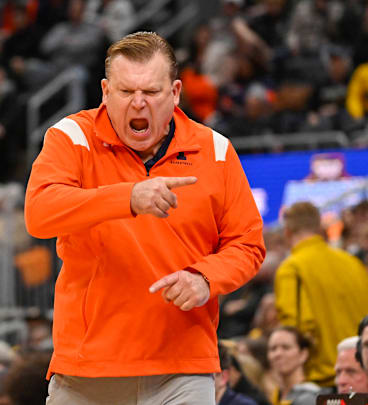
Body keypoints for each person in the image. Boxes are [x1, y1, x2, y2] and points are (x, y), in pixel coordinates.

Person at [24, 31, 265, 404]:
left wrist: (205, 278)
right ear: (105, 91)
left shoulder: (216, 150)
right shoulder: (72, 137)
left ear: (175, 92)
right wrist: (128, 198)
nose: (138, 104)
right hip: (88, 371)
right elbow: (40, 212)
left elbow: (248, 244)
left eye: (151, 92)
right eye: (125, 92)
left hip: (182, 369)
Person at [274, 201, 368, 387]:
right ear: (319, 229)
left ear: (287, 233)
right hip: (361, 376)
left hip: (320, 381)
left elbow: (291, 330)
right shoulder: (353, 264)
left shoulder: (291, 269)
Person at [266, 326, 320, 405]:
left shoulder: (311, 397)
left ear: (303, 354)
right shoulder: (273, 396)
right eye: (273, 349)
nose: (278, 354)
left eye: (286, 347)